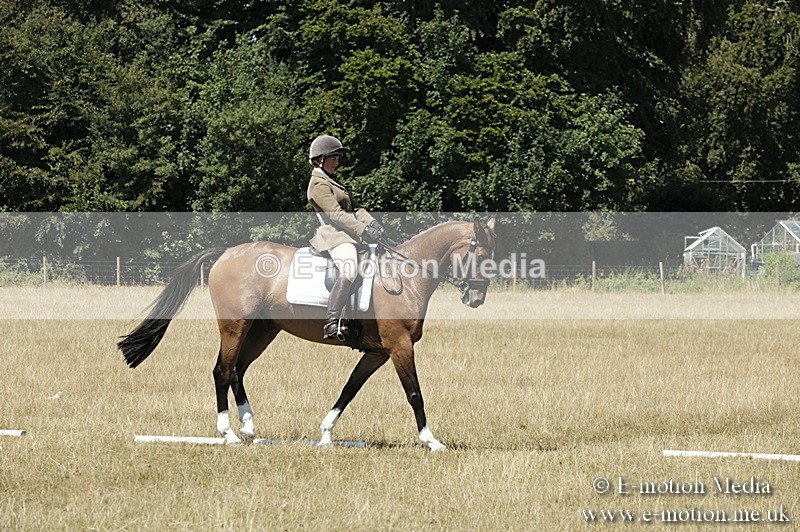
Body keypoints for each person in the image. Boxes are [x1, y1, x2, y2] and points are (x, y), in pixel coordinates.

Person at [307, 134, 384, 340]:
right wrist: (363, 231)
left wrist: (372, 222)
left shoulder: (332, 181)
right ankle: (331, 322)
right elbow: (336, 215)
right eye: (334, 157)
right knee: (350, 268)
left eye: (338, 157)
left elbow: (356, 207)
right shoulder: (318, 184)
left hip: (349, 234)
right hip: (333, 235)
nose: (337, 161)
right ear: (320, 159)